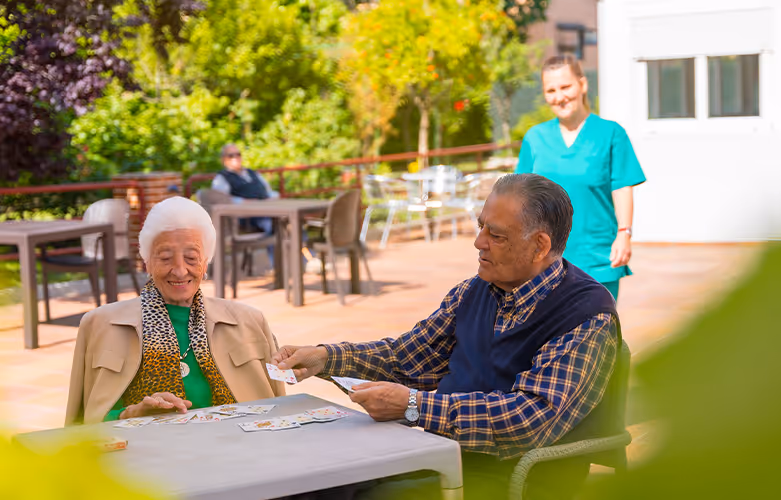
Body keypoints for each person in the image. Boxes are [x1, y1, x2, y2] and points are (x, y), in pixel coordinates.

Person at [274, 174, 620, 500]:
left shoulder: (586, 315)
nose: (478, 242)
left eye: (496, 235)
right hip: (445, 457)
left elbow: (530, 419)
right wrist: (326, 357)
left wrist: (414, 406)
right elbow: (406, 359)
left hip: (520, 481)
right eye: (480, 225)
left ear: (540, 245)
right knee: (316, 479)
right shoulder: (474, 291)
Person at [65, 196, 285, 425]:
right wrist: (132, 414)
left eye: (191, 258)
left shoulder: (250, 321)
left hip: (237, 451)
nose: (180, 271)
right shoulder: (100, 324)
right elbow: (83, 426)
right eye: (165, 258)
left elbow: (280, 414)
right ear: (147, 262)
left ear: (205, 263)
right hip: (146, 456)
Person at [516, 54, 646, 301]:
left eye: (565, 86)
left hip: (596, 257)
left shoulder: (611, 134)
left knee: (596, 334)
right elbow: (522, 196)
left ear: (582, 85)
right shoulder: (535, 138)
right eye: (551, 90)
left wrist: (624, 233)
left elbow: (622, 187)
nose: (559, 96)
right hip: (543, 262)